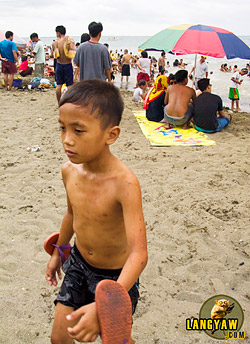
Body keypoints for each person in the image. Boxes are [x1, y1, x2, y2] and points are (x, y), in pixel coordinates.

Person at [46, 79, 148, 344]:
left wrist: (109, 299)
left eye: (79, 130)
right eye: (62, 128)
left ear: (110, 135)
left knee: (113, 339)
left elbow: (139, 254)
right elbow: (71, 214)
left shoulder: (124, 183)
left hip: (116, 276)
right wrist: (60, 251)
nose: (67, 140)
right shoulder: (68, 171)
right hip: (79, 264)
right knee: (59, 338)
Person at [51, 25, 76, 103]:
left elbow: (53, 55)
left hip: (59, 65)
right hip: (67, 64)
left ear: (58, 33)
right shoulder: (69, 41)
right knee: (69, 86)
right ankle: (69, 102)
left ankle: (59, 102)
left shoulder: (55, 43)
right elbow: (72, 54)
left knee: (59, 85)